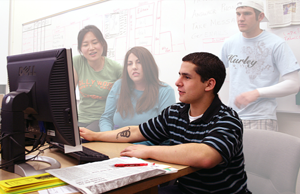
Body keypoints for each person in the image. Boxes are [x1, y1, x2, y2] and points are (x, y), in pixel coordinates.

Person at [80, 52, 251, 194]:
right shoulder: (175, 112)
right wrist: (95, 135)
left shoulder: (227, 119)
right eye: (179, 75)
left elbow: (205, 156)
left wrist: (148, 150)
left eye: (187, 77)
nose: (178, 82)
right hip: (186, 190)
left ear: (209, 84)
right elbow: (136, 132)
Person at [220, 0, 300, 131]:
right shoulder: (230, 43)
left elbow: (293, 84)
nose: (241, 18)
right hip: (231, 117)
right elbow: (215, 72)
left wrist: (257, 93)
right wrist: (213, 91)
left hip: (261, 118)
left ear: (260, 17)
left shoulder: (276, 44)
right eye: (238, 14)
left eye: (247, 13)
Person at [97, 46, 176, 145]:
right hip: (116, 144)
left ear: (149, 65)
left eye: (139, 62)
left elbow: (164, 132)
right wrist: (108, 137)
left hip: (147, 149)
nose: (134, 67)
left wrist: (134, 146)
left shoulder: (166, 91)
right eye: (129, 64)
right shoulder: (119, 85)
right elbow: (106, 118)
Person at [73, 25, 122, 132]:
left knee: (83, 140)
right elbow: (68, 93)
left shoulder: (116, 68)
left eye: (95, 43)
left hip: (104, 121)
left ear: (102, 43)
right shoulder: (77, 62)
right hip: (81, 119)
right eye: (85, 44)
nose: (91, 48)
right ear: (80, 49)